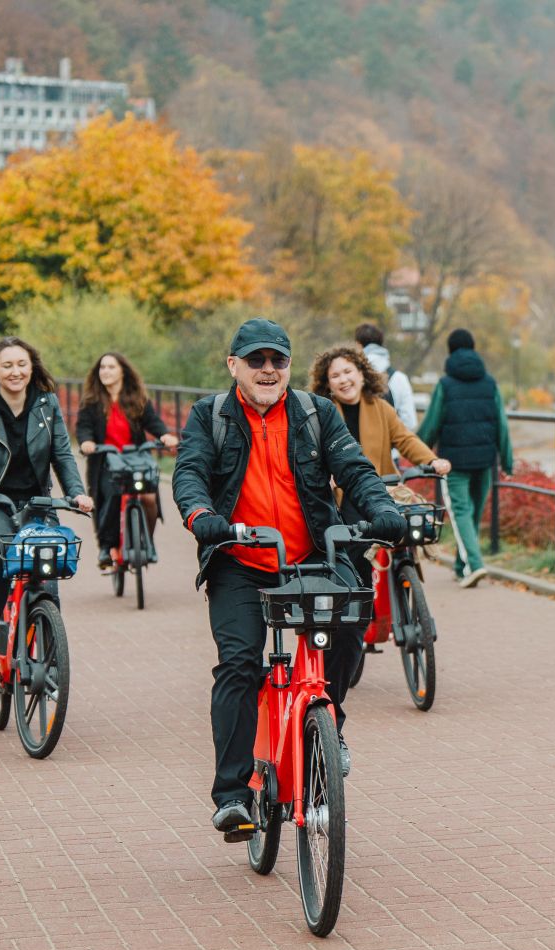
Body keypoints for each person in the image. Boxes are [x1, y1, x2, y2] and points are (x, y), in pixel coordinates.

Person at [173, 318, 407, 839]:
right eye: (256, 360)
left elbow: (355, 471)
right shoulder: (210, 416)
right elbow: (190, 472)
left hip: (310, 555)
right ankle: (232, 796)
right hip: (239, 559)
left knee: (350, 627)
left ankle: (331, 725)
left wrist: (383, 509)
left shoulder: (315, 413)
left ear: (289, 367)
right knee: (238, 663)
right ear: (233, 365)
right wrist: (201, 517)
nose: (267, 369)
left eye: (277, 360)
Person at [308, 342, 450, 729]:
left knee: (405, 535)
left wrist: (430, 461)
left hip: (381, 494)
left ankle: (407, 597)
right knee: (351, 571)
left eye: (349, 371)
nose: (343, 380)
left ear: (361, 372)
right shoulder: (320, 414)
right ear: (327, 383)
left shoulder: (381, 408)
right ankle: (353, 630)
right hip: (342, 501)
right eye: (335, 375)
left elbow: (405, 440)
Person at [0, 337, 92, 668]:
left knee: (51, 567)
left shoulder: (47, 403)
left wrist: (76, 493)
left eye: (22, 364)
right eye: (7, 365)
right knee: (3, 551)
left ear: (32, 367)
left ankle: (47, 645)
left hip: (38, 504)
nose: (16, 372)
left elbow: (62, 454)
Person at [418, 328, 514, 588]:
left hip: (454, 462)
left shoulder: (445, 385)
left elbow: (432, 422)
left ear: (450, 351)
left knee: (461, 513)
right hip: (485, 460)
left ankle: (474, 565)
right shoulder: (490, 383)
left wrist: (417, 450)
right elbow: (502, 425)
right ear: (474, 348)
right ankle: (462, 566)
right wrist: (507, 460)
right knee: (472, 514)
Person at [74, 351, 179, 570]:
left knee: (149, 498)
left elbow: (153, 422)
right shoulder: (91, 402)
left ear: (122, 371)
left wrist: (164, 436)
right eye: (102, 368)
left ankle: (146, 542)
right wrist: (86, 442)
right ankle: (106, 546)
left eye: (111, 367)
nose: (106, 371)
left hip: (136, 459)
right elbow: (83, 428)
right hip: (106, 462)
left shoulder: (137, 398)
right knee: (111, 494)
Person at [354, 322, 417, 430]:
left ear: (359, 345)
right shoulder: (400, 378)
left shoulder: (352, 376)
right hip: (392, 444)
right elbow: (410, 422)